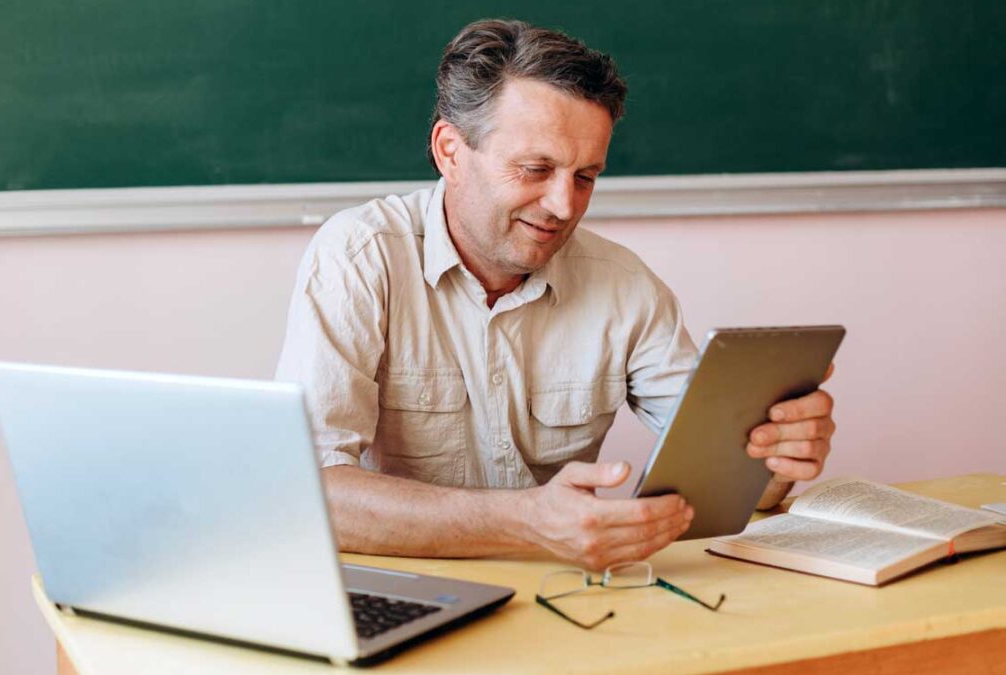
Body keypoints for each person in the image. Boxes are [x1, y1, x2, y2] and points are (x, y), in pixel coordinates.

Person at [275, 19, 835, 572]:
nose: (564, 207)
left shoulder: (625, 286)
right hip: (408, 589)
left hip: (563, 590)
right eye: (535, 169)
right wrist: (524, 521)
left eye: (586, 177)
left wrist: (777, 454)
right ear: (450, 152)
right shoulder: (359, 256)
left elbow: (744, 479)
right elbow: (309, 491)